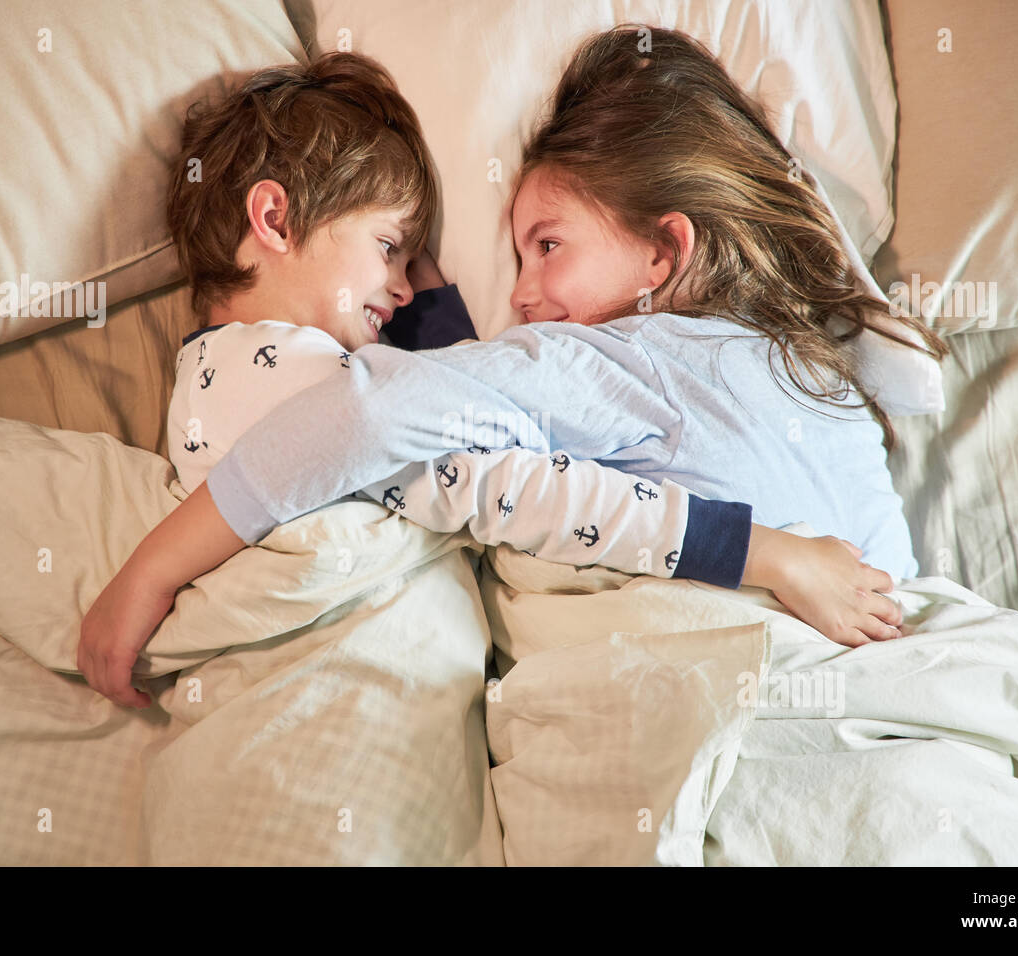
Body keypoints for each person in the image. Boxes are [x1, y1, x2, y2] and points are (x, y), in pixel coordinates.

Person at [81, 30, 925, 708]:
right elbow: (444, 427)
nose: (519, 297)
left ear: (666, 250)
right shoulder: (825, 379)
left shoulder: (605, 358)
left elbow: (388, 418)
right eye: (390, 249)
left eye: (547, 246)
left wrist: (149, 568)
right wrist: (434, 320)